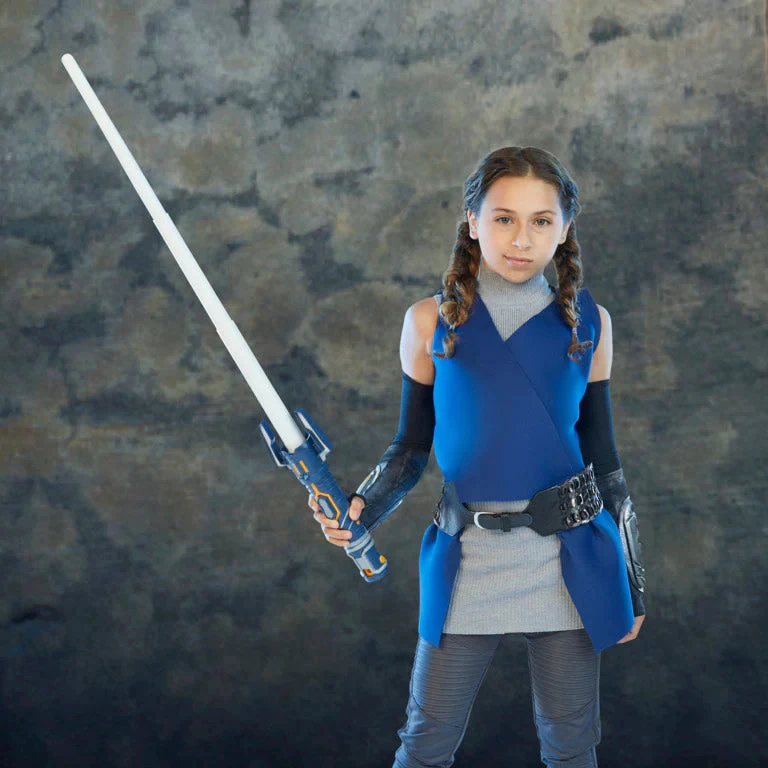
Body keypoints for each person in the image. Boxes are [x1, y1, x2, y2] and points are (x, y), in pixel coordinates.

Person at [308, 146, 646, 768]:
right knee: (425, 741)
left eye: (541, 221)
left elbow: (605, 458)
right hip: (468, 554)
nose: (521, 239)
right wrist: (362, 508)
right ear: (472, 220)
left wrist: (633, 581)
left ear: (565, 227)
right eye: (503, 218)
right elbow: (410, 447)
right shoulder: (427, 321)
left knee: (572, 745)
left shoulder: (590, 323)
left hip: (569, 558)